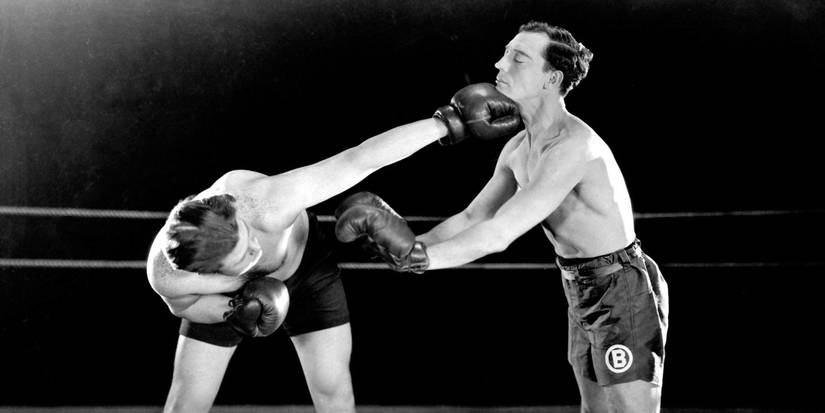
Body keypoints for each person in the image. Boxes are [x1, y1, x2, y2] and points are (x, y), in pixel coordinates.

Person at [335, 21, 669, 413]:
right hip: (580, 286)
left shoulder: (575, 147)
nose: (499, 63)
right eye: (505, 53)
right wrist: (415, 247)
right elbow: (474, 216)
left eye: (517, 58)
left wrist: (423, 259)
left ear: (552, 78)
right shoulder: (518, 147)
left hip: (621, 286)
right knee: (595, 411)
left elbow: (501, 232)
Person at [145, 84, 522, 413]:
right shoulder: (168, 275)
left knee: (333, 389)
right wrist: (233, 309)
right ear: (204, 271)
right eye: (240, 261)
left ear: (235, 215)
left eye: (248, 241)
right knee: (186, 401)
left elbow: (358, 159)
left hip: (306, 270)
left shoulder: (266, 202)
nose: (254, 256)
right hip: (235, 299)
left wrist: (449, 121)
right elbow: (185, 304)